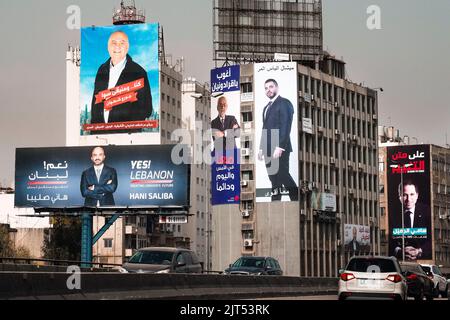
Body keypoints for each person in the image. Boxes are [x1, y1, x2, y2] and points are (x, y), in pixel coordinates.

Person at [90, 31, 152, 134]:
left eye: (122, 43)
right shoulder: (101, 70)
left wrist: (129, 128)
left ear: (127, 47)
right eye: (114, 43)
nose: (117, 47)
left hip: (127, 138)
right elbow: (95, 104)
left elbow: (147, 108)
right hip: (101, 137)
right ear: (108, 48)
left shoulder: (138, 72)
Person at [257, 79, 298, 202]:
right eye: (266, 88)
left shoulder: (284, 103)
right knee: (273, 179)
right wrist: (261, 148)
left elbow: (286, 126)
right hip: (268, 148)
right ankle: (275, 204)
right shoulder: (266, 107)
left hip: (280, 147)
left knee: (283, 175)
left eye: (271, 87)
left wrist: (280, 147)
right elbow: (265, 129)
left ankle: (296, 199)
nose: (268, 90)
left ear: (277, 87)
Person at [391, 179, 431, 261]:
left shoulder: (427, 211)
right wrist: (399, 251)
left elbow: (433, 239)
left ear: (417, 195)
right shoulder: (392, 213)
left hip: (423, 259)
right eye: (405, 195)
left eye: (412, 194)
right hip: (399, 260)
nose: (408, 199)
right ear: (399, 197)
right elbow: (389, 241)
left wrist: (419, 251)